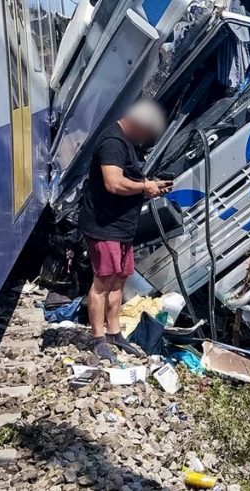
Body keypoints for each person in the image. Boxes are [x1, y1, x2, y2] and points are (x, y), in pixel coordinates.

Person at [79, 99, 171, 361]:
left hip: (122, 226)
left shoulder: (129, 143)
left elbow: (128, 180)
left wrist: (150, 186)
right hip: (104, 225)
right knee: (102, 282)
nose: (146, 139)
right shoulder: (113, 142)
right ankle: (98, 338)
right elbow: (114, 183)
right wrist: (144, 187)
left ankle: (114, 332)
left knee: (119, 280)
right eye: (146, 132)